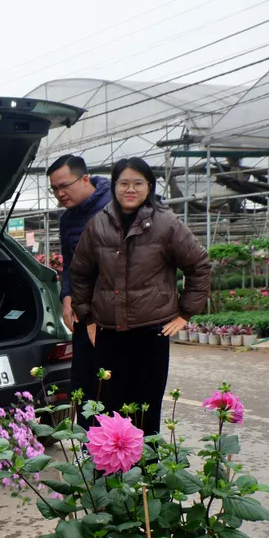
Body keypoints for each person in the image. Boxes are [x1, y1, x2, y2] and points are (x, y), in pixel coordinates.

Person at [70, 157, 211, 436]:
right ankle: (110, 473)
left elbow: (199, 266)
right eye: (123, 183)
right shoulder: (97, 225)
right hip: (109, 333)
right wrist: (86, 316)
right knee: (108, 407)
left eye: (138, 183)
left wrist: (184, 313)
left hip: (150, 333)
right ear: (114, 186)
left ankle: (147, 476)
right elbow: (80, 273)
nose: (130, 189)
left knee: (146, 409)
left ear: (149, 187)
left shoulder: (167, 224)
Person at [47, 155, 112, 411]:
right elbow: (69, 265)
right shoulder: (67, 220)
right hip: (84, 313)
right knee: (83, 384)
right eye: (54, 188)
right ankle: (88, 446)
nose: (60, 193)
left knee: (110, 384)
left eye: (65, 185)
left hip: (113, 312)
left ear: (85, 179)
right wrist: (66, 298)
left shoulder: (114, 207)